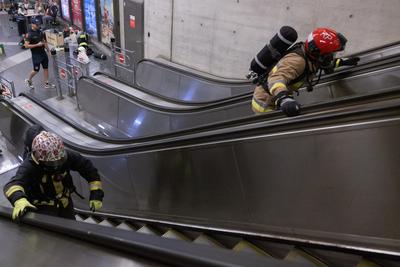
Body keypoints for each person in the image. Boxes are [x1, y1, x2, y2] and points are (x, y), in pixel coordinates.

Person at [251, 27, 360, 117]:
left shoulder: (311, 56)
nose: (331, 57)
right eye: (330, 54)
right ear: (319, 53)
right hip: (265, 103)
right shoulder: (297, 61)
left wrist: (341, 63)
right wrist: (284, 99)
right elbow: (276, 78)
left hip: (277, 99)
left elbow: (321, 64)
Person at [3, 131, 104, 220]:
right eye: (51, 162)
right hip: (43, 207)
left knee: (72, 228)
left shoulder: (66, 156)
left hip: (65, 203)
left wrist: (96, 192)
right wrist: (19, 199)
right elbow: (13, 185)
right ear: (39, 159)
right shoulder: (30, 166)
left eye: (60, 160)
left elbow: (87, 168)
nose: (57, 165)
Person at [24, 18, 55, 89]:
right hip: (36, 55)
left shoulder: (40, 32)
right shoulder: (29, 34)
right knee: (36, 70)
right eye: (37, 24)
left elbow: (44, 42)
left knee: (46, 68)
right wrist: (37, 45)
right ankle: (29, 80)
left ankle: (47, 83)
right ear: (32, 24)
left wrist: (48, 51)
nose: (38, 26)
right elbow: (26, 46)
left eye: (39, 24)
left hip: (43, 53)